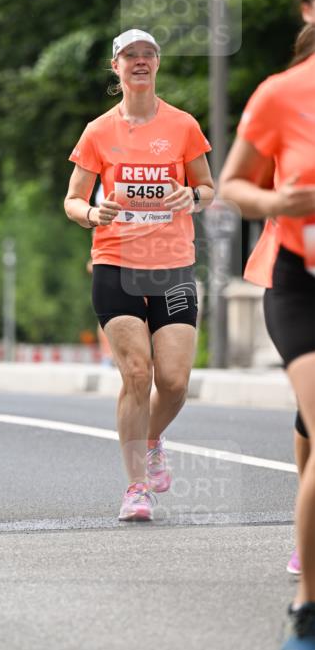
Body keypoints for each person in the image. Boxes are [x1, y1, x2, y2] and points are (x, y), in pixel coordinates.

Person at [64, 29, 214, 522]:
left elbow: (207, 187)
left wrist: (190, 197)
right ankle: (135, 488)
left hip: (172, 265)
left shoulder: (183, 125)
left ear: (158, 64)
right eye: (131, 56)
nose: (141, 62)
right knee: (137, 373)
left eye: (148, 54)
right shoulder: (97, 132)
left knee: (173, 382)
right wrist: (93, 213)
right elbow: (72, 200)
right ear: (116, 67)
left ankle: (151, 440)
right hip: (116, 263)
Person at [219, 21, 315, 650]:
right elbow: (232, 184)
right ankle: (306, 607)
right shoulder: (282, 94)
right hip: (297, 280)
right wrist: (278, 198)